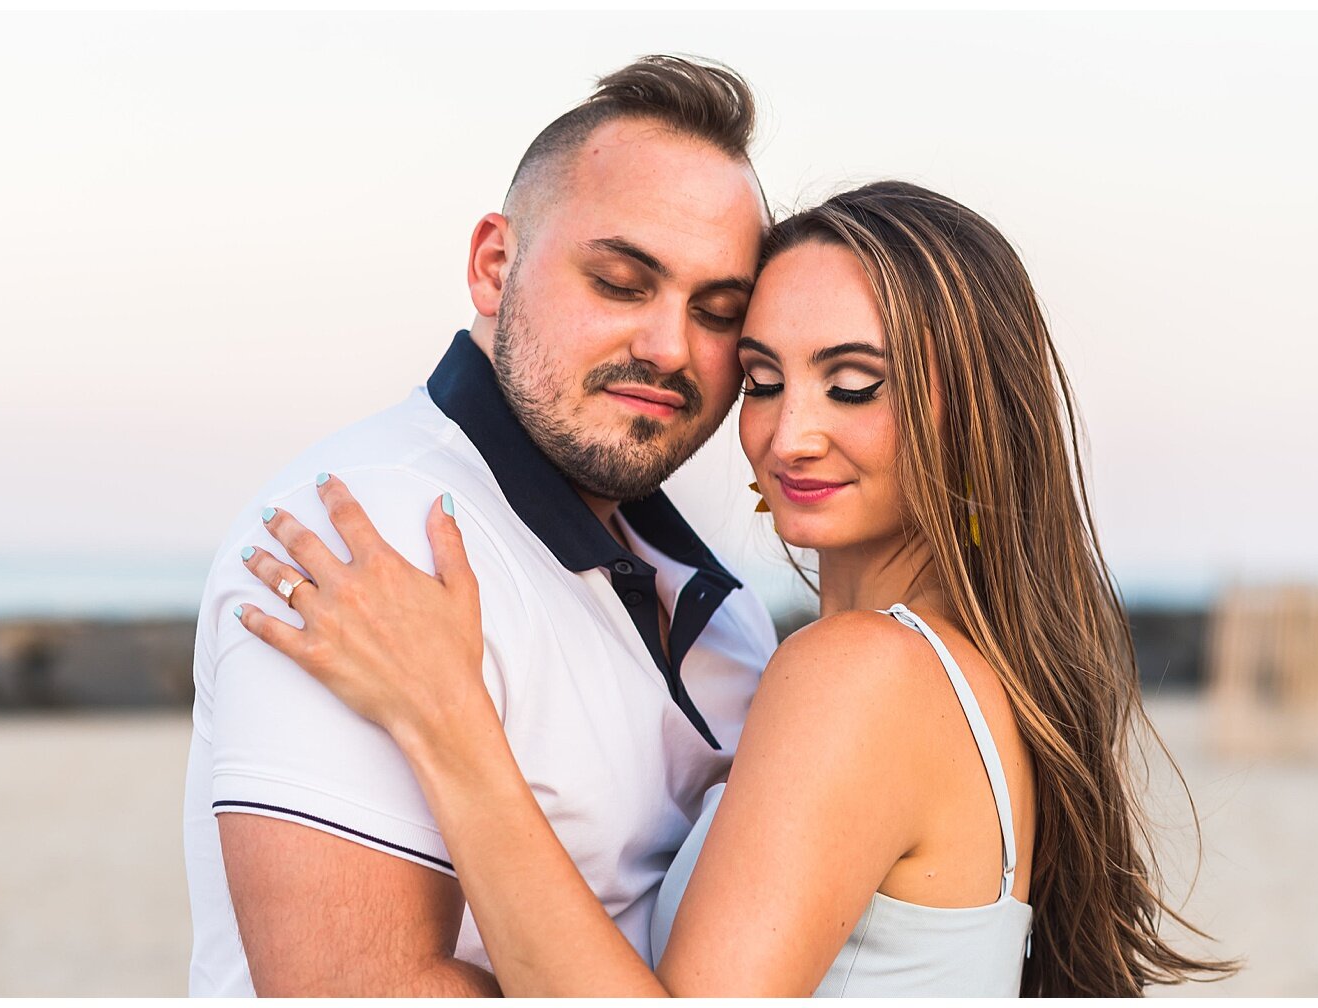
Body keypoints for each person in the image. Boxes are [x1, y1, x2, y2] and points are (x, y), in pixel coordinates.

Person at [235, 181, 1239, 995]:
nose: (789, 434)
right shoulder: (960, 676)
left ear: (969, 408)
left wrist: (445, 717)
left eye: (853, 383)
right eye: (762, 379)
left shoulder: (860, 672)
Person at [182, 55, 778, 996]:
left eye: (718, 312)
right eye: (622, 281)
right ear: (494, 266)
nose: (670, 347)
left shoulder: (733, 617)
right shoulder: (370, 535)